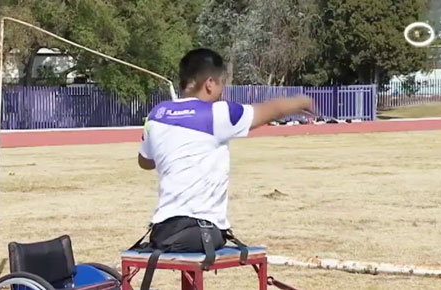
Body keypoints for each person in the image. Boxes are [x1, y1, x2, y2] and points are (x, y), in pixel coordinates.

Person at [133, 48, 313, 289]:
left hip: (162, 232)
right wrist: (301, 101)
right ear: (209, 83)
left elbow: (145, 162)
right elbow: (271, 110)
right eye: (222, 84)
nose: (222, 91)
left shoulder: (157, 115)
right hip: (201, 232)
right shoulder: (219, 113)